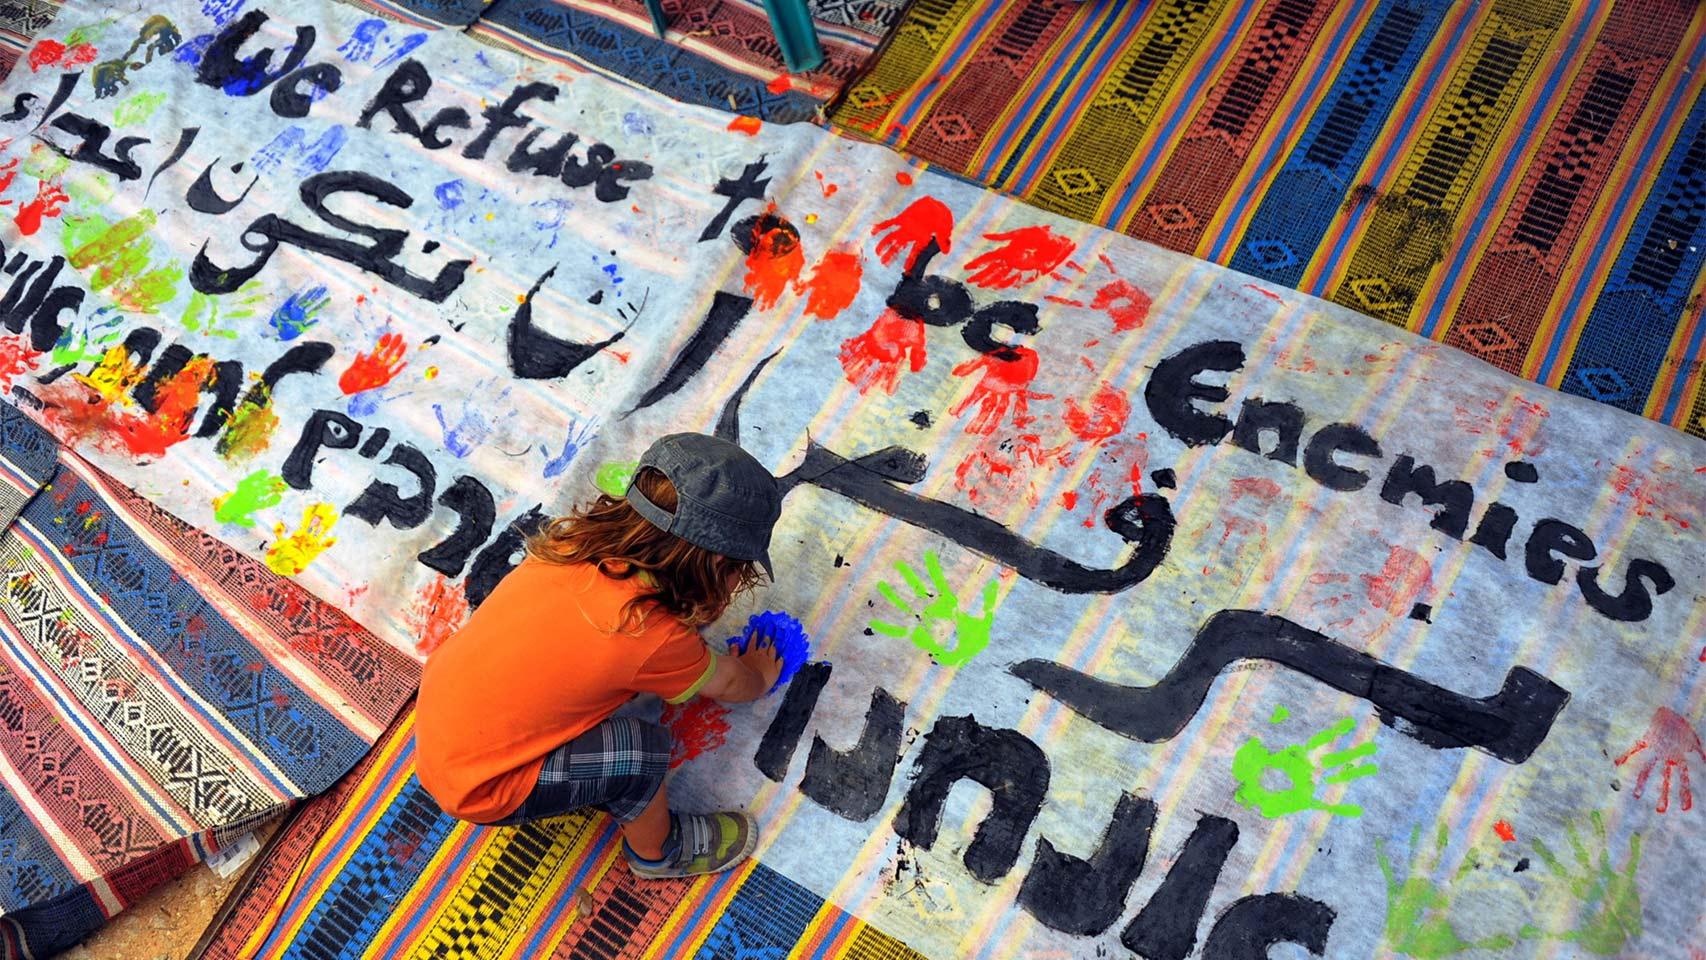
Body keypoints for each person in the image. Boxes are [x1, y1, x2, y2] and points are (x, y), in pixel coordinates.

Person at [415, 433, 786, 879]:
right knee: (641, 751)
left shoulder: (569, 546)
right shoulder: (650, 634)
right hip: (486, 787)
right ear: (716, 570)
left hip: (443, 726)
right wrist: (760, 676)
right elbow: (728, 684)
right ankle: (658, 854)